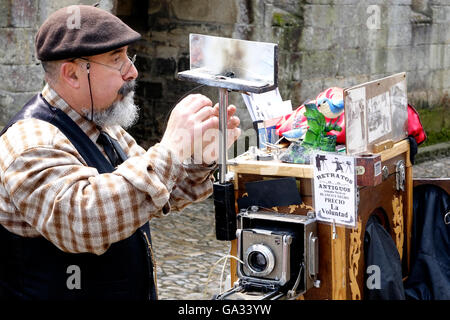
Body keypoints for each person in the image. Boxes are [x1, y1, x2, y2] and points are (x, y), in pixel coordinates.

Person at [0, 5, 240, 300]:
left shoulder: (105, 128)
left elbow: (155, 193)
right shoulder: (29, 143)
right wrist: (171, 150)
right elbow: (84, 223)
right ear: (73, 74)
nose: (132, 71)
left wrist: (199, 156)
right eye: (117, 60)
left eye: (129, 56)